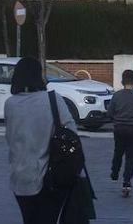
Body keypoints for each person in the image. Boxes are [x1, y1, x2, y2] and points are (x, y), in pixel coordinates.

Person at [5, 56, 79, 223]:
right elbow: (71, 133)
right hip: (51, 175)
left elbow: (10, 138)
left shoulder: (10, 104)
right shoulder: (53, 100)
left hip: (20, 176)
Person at [106, 69, 133, 196]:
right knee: (132, 157)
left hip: (119, 128)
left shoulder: (116, 96)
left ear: (122, 81)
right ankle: (127, 181)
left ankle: (114, 172)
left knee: (118, 151)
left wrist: (116, 120)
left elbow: (110, 113)